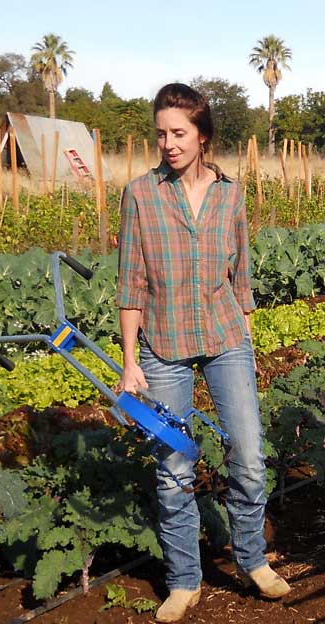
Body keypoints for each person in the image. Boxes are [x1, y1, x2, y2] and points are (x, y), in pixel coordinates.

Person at [116, 83, 291, 623]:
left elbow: (243, 278)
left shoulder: (231, 195)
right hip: (162, 346)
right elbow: (130, 284)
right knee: (173, 468)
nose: (168, 143)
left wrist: (247, 333)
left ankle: (252, 560)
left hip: (225, 340)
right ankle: (184, 581)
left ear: (202, 136)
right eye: (161, 133)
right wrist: (129, 363)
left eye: (179, 133)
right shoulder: (140, 194)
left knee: (250, 457)